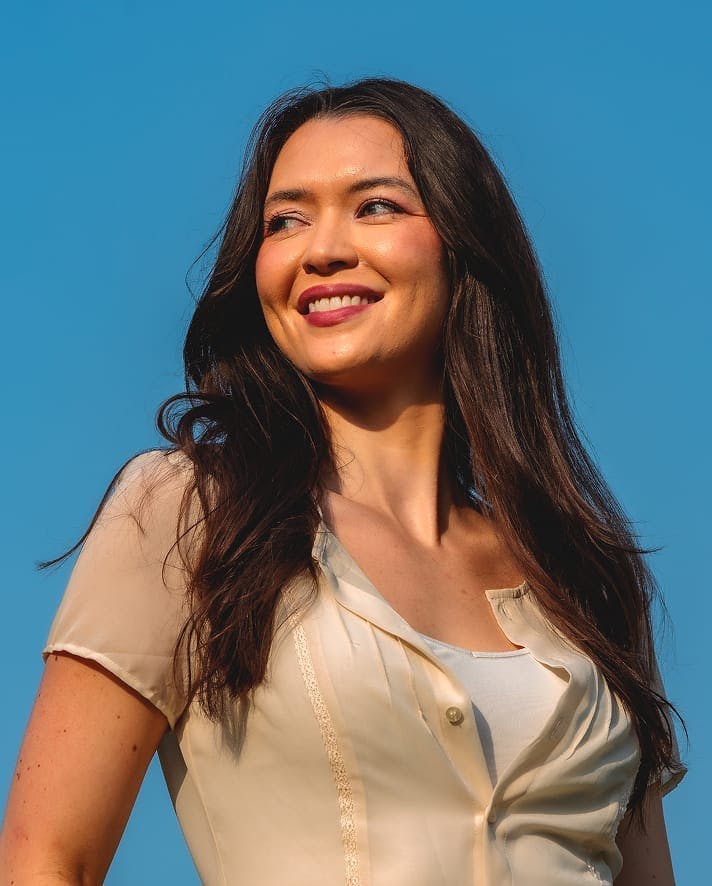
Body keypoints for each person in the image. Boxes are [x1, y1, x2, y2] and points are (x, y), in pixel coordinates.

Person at [0, 78, 686, 885]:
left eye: (375, 207)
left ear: (467, 245)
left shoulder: (588, 582)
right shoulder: (189, 512)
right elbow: (47, 858)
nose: (320, 249)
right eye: (285, 220)